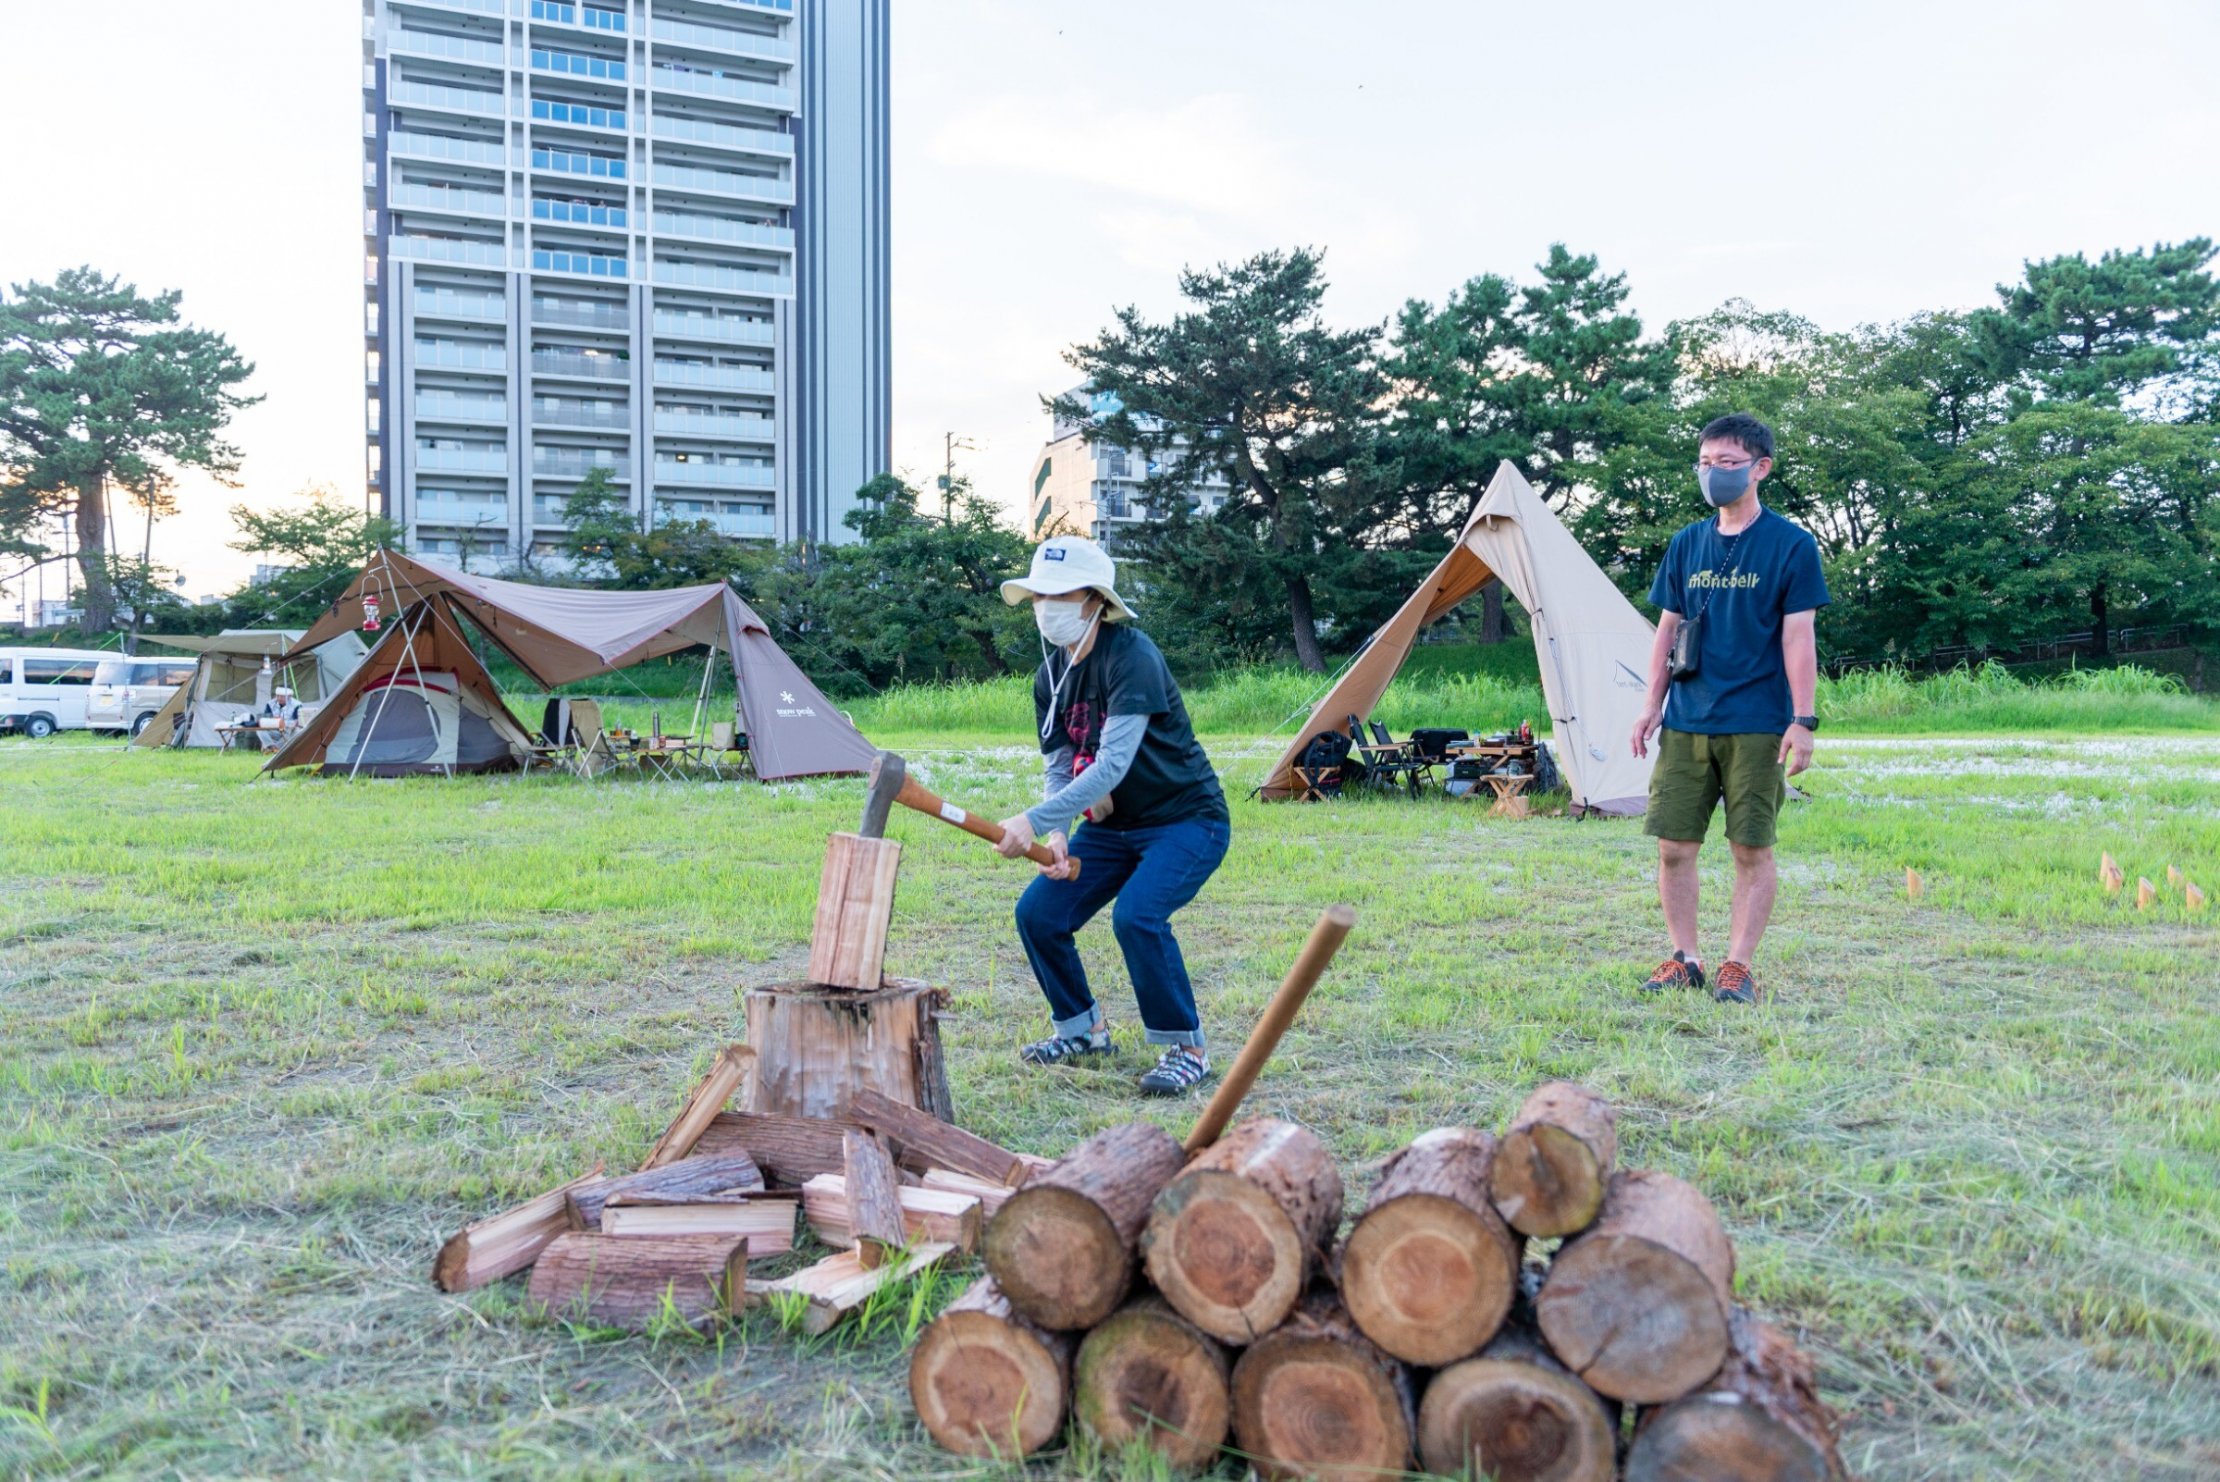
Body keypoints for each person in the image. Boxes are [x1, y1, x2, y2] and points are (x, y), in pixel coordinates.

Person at [995, 536, 1231, 1096]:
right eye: (1038, 596)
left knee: (1138, 916)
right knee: (1038, 913)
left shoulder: (1132, 656)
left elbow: (1112, 765)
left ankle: (1187, 1050)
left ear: (1095, 601)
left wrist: (1031, 821)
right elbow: (1060, 768)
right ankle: (1083, 1031)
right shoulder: (1049, 677)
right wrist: (1057, 835)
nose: (1045, 607)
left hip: (1185, 819)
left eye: (1059, 595)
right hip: (1111, 829)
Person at [1630, 413, 1830, 1005]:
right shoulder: (1686, 543)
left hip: (1758, 721)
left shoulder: (1791, 545)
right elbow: (1667, 631)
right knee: (1674, 846)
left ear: (1760, 468)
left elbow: (1799, 637)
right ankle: (1685, 958)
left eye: (1726, 462)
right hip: (1687, 718)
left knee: (1750, 848)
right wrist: (1650, 704)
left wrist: (1803, 718)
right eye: (1705, 462)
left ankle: (1737, 965)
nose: (1712, 472)